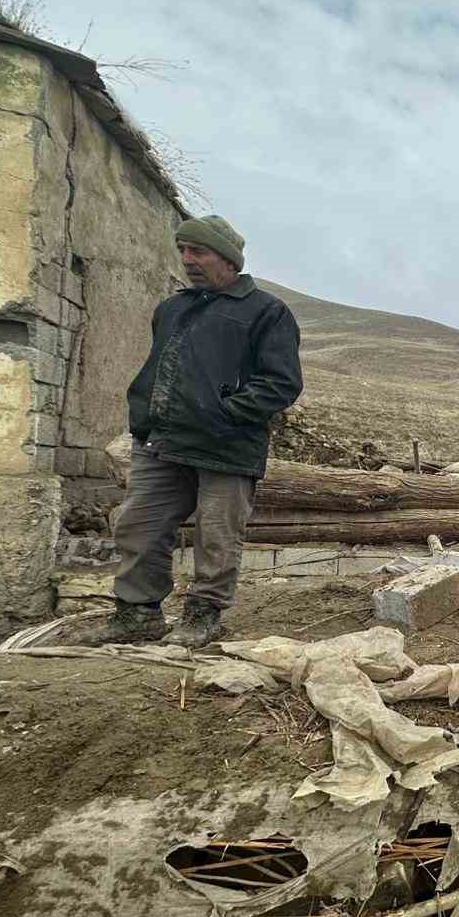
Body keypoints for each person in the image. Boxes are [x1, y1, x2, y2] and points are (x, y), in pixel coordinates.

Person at [95, 214, 303, 648]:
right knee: (138, 526)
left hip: (226, 445)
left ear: (227, 258)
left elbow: (281, 383)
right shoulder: (173, 308)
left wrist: (222, 414)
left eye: (198, 251)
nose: (187, 259)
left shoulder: (266, 311)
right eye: (183, 250)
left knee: (217, 535)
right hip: (162, 440)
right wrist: (144, 415)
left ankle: (202, 616)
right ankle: (137, 614)